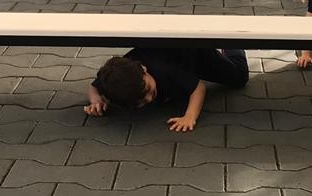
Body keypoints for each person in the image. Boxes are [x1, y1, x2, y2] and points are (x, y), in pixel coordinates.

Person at [85, 47, 249, 132]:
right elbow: (94, 87)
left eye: (148, 90)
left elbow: (198, 87)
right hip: (176, 67)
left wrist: (190, 116)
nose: (149, 98)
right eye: (140, 101)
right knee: (177, 86)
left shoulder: (163, 69)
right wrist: (96, 100)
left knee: (239, 78)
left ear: (144, 69)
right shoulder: (115, 77)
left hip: (197, 55)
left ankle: (232, 45)